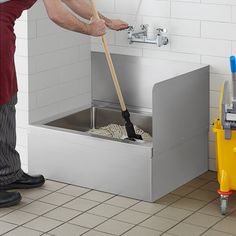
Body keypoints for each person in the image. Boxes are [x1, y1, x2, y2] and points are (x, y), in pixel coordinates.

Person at [0, 0, 128, 207]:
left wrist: (108, 21)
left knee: (7, 100)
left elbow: (73, 1)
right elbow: (57, 14)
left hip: (4, 32)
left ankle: (7, 173)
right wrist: (89, 30)